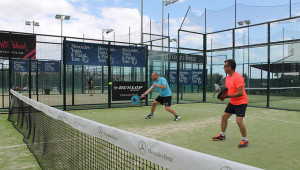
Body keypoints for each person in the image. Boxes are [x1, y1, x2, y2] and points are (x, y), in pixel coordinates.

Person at [212, 59, 249, 148]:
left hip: (241, 102)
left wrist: (227, 96)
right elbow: (228, 91)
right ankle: (222, 135)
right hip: (233, 102)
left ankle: (245, 140)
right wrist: (224, 96)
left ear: (230, 67)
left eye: (225, 66)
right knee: (224, 117)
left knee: (239, 121)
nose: (223, 68)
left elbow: (240, 93)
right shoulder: (227, 78)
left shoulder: (238, 77)